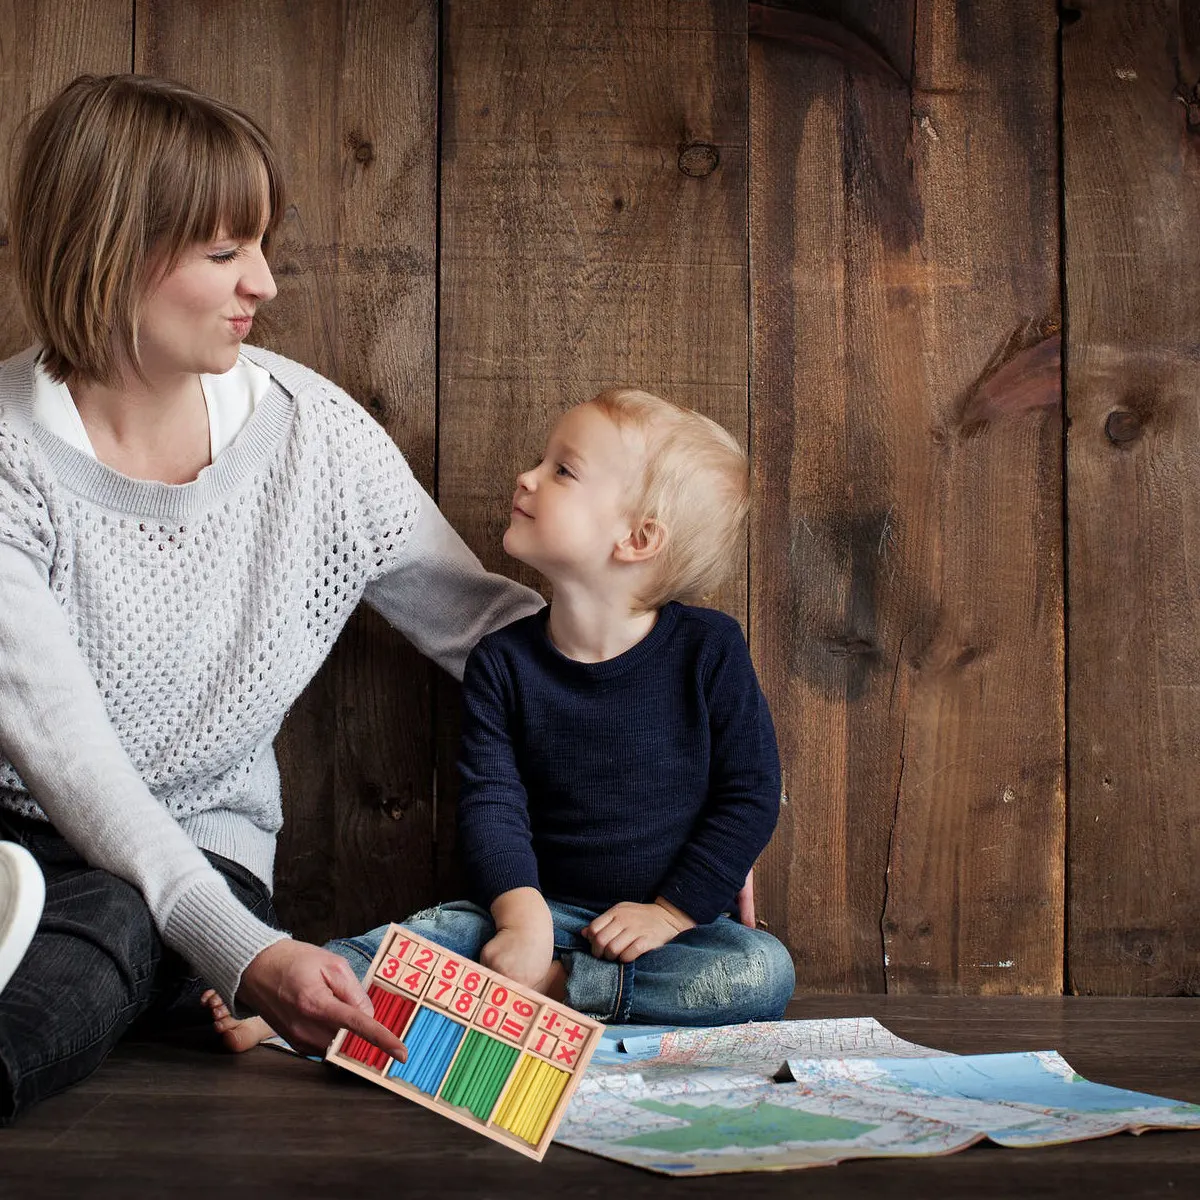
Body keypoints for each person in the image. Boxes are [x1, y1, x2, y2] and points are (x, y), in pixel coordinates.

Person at [0, 73, 543, 1125]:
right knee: (125, 928)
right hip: (16, 845)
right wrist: (251, 959)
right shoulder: (8, 459)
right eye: (223, 252)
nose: (266, 284)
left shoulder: (315, 436)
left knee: (120, 924)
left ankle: (173, 974)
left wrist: (697, 752)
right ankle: (181, 978)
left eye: (261, 244)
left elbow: (484, 627)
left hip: (200, 848)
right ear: (114, 254)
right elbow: (72, 760)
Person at [207, 386, 794, 1048]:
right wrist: (522, 920)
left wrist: (670, 913)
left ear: (637, 538)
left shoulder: (708, 651)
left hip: (665, 934)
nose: (528, 476)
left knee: (761, 973)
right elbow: (493, 804)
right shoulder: (504, 663)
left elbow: (748, 795)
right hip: (535, 908)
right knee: (429, 937)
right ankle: (290, 1008)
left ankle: (560, 992)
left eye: (562, 471)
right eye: (543, 462)